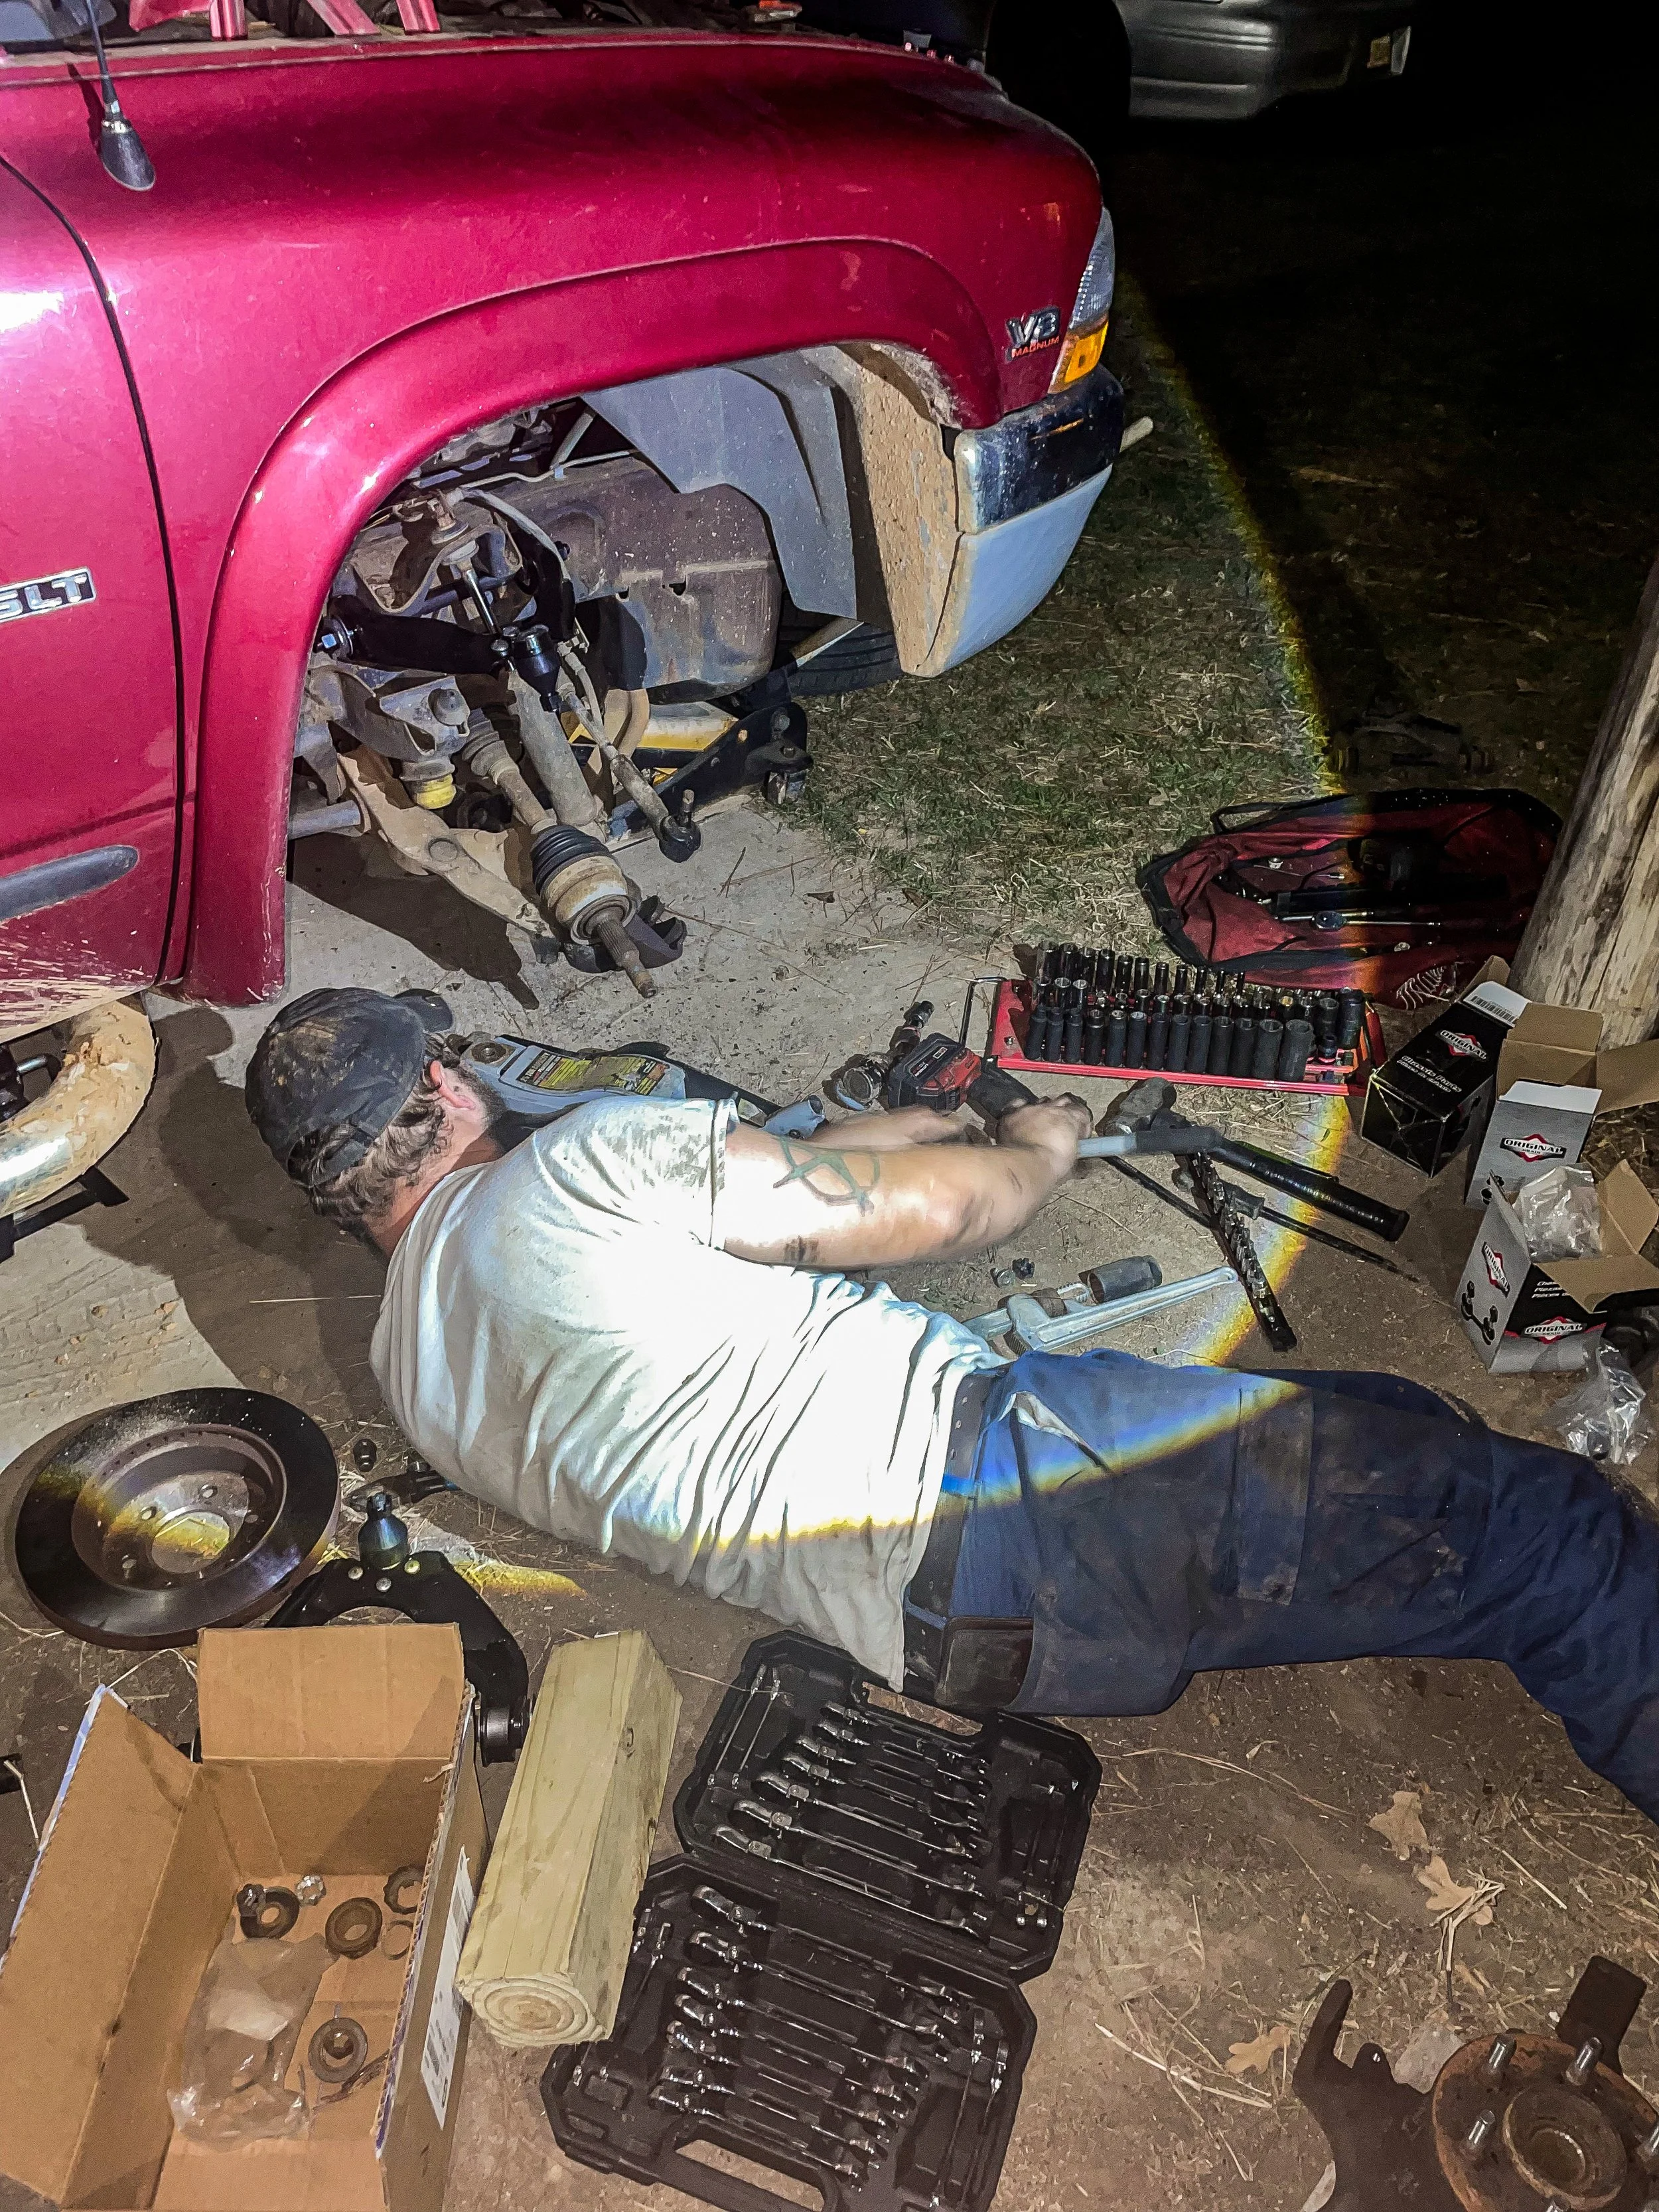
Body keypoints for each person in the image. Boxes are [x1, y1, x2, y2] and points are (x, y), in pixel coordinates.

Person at [246, 987, 1659, 1822]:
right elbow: (949, 1214)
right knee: (1548, 1537)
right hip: (1041, 1501)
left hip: (968, 1646)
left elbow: (775, 1193)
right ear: (446, 1076)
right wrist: (1033, 1145)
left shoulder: (412, 1375)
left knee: (1382, 1427)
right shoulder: (578, 1169)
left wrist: (911, 1122)